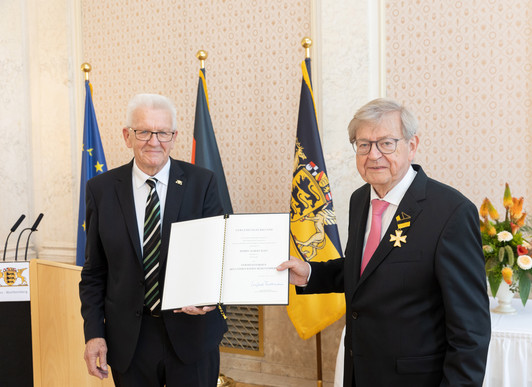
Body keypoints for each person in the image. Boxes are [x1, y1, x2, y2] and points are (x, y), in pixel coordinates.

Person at [278, 98, 491, 386]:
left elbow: (471, 330)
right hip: (359, 373)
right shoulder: (360, 199)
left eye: (386, 143)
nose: (373, 154)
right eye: (363, 144)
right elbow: (366, 270)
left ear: (412, 146)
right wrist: (311, 274)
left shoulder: (450, 212)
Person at [79, 93, 227, 386]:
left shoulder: (202, 182)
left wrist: (210, 297)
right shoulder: (101, 189)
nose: (154, 141)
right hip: (130, 342)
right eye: (144, 131)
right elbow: (94, 273)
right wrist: (94, 334)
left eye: (163, 132)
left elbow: (219, 255)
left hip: (192, 336)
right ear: (127, 136)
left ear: (174, 137)